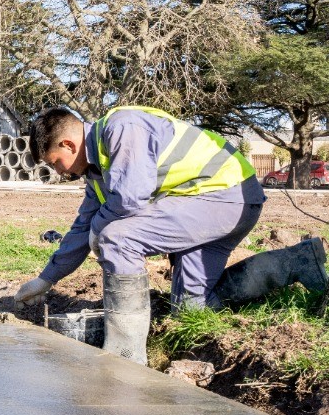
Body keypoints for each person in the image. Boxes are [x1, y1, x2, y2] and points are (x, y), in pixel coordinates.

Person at [14, 105, 265, 364]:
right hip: (213, 207)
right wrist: (46, 279)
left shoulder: (122, 128)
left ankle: (125, 358)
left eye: (55, 162)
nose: (59, 172)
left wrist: (99, 230)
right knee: (189, 308)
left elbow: (129, 198)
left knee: (118, 239)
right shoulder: (97, 170)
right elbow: (82, 228)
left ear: (68, 144)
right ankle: (289, 265)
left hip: (224, 196)